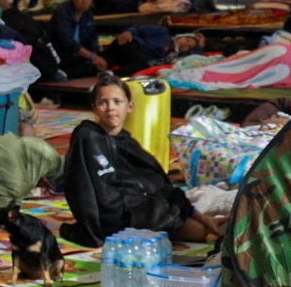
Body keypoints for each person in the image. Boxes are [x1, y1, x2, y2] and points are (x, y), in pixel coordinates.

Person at [62, 75, 222, 246]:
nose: (110, 108)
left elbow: (157, 183)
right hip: (123, 218)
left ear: (130, 106)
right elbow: (89, 192)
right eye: (103, 102)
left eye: (117, 102)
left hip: (147, 210)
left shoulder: (126, 142)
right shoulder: (88, 137)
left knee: (214, 218)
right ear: (94, 108)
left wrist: (196, 214)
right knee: (203, 232)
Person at [47, 0, 107, 77]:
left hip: (81, 56)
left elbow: (92, 39)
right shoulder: (62, 12)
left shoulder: (88, 15)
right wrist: (92, 56)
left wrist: (96, 56)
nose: (85, 2)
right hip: (62, 55)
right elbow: (67, 41)